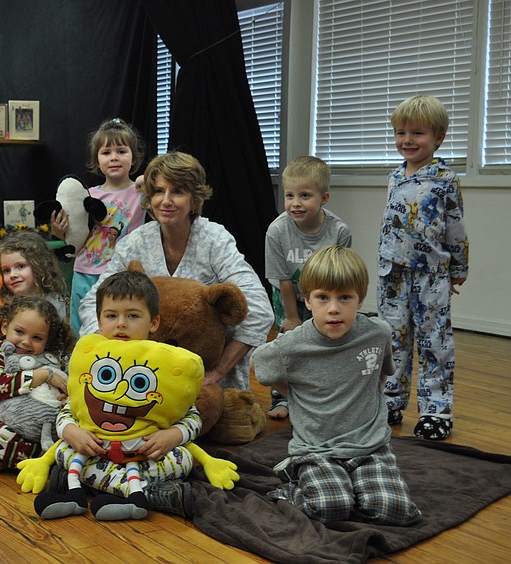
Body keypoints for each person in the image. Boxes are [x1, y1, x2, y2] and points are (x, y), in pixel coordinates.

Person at [253, 246, 421, 525]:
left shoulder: (377, 333)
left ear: (360, 299)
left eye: (344, 298)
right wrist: (295, 394)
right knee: (333, 508)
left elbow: (379, 375)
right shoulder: (291, 345)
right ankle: (291, 487)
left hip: (369, 446)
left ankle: (351, 485)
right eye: (322, 297)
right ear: (307, 300)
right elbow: (261, 367)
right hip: (317, 449)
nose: (333, 308)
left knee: (395, 510)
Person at [78, 151, 274, 390]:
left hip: (209, 383)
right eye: (159, 191)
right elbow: (92, 302)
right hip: (144, 379)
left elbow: (260, 310)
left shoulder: (215, 240)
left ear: (194, 198)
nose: (166, 201)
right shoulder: (134, 244)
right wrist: (110, 345)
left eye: (178, 191)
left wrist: (218, 370)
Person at [45, 269, 201, 519]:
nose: (121, 323)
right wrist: (72, 432)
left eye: (132, 315)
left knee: (183, 458)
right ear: (99, 321)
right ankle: (149, 494)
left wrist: (173, 435)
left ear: (154, 322)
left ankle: (86, 484)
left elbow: (191, 415)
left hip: (146, 454)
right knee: (65, 450)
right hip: (98, 450)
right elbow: (70, 408)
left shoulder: (167, 362)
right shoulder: (90, 358)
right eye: (111, 315)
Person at [379, 95, 468, 440]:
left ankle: (435, 410)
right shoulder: (394, 176)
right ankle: (390, 400)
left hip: (431, 275)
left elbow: (455, 227)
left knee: (434, 342)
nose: (407, 141)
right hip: (392, 276)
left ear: (438, 137)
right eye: (401, 133)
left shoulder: (445, 179)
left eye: (417, 133)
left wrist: (459, 266)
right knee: (393, 340)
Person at [264, 156, 352, 419]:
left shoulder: (339, 231)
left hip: (325, 297)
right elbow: (283, 279)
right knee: (289, 346)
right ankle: (282, 398)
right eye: (289, 195)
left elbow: (340, 276)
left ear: (324, 198)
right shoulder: (277, 231)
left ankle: (322, 397)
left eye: (305, 195)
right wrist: (291, 316)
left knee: (323, 345)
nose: (295, 203)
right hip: (288, 293)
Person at [49, 118, 147, 334]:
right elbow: (73, 237)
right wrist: (58, 231)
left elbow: (159, 183)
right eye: (106, 152)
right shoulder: (87, 195)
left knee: (121, 328)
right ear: (97, 159)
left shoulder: (142, 192)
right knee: (80, 327)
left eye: (121, 151)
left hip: (124, 274)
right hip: (86, 270)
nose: (114, 158)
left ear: (134, 157)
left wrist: (145, 180)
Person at [0, 295, 76, 472]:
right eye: (20, 332)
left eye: (37, 338)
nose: (26, 341)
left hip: (42, 427)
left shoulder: (48, 358)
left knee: (71, 435)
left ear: (47, 341)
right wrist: (43, 375)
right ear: (5, 327)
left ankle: (41, 460)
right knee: (4, 438)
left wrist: (62, 396)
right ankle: (48, 461)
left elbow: (63, 386)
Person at [0, 229, 69, 320]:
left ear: (38, 266)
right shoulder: (2, 302)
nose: (13, 275)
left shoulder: (53, 301)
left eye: (20, 266)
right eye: (6, 270)